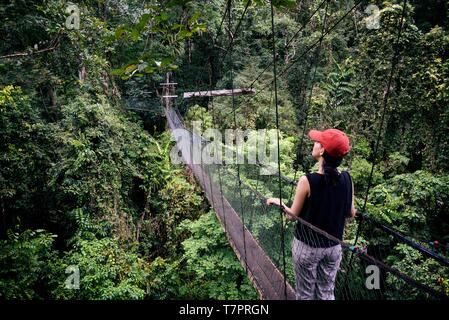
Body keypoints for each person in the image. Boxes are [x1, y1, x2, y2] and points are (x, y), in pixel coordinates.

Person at [266, 128, 356, 300]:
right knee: (326, 293)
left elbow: (292, 216)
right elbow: (350, 213)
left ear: (322, 150)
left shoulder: (307, 181)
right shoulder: (347, 178)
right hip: (333, 248)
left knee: (305, 295)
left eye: (317, 141)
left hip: (307, 247)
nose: (314, 143)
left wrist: (280, 203)